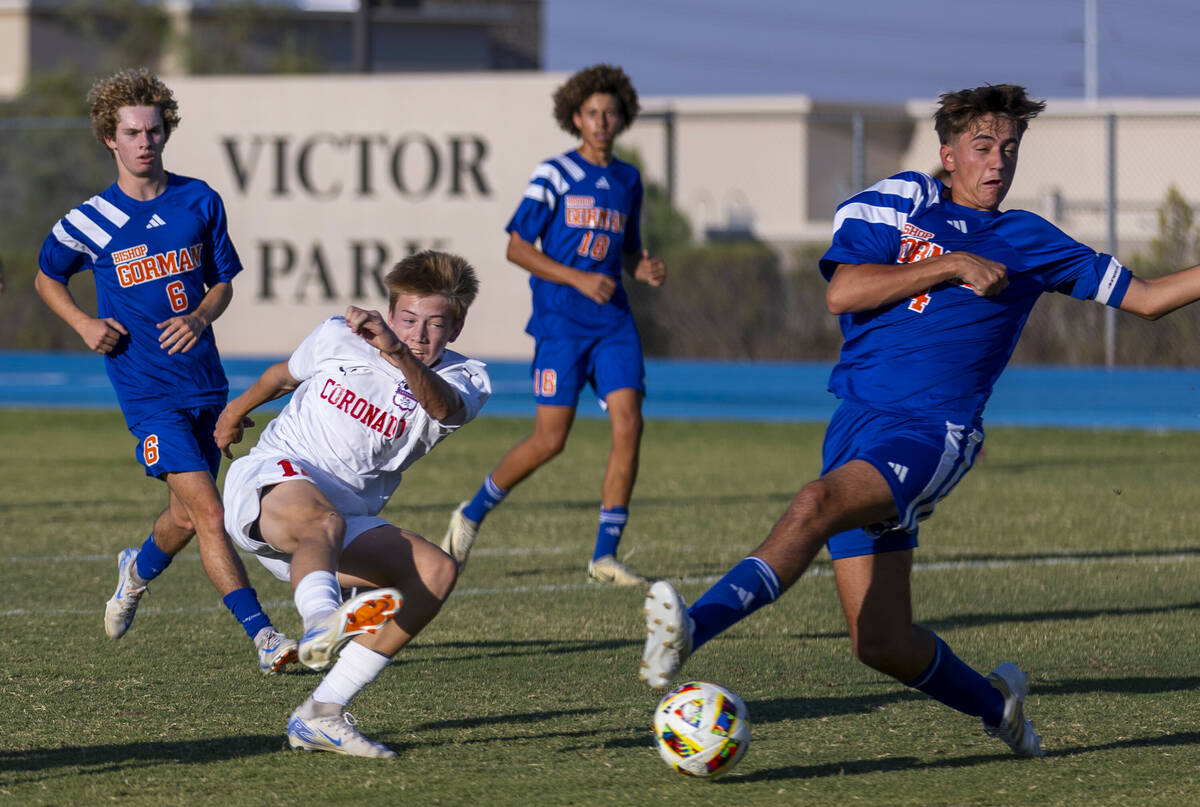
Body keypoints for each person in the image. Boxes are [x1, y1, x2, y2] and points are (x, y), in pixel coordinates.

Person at [639, 83, 1200, 758]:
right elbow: (843, 289)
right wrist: (951, 263)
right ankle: (1002, 708)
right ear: (948, 153)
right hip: (856, 421)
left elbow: (1147, 298)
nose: (998, 162)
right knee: (880, 642)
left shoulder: (1028, 238)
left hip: (935, 430)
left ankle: (691, 628)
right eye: (983, 146)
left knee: (814, 503)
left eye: (1010, 149)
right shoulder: (904, 204)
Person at [34, 67, 295, 674]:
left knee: (184, 516)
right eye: (133, 132)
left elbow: (224, 280)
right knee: (210, 512)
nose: (146, 141)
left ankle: (137, 570)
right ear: (110, 138)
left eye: (154, 130)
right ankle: (265, 637)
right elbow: (47, 277)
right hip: (147, 393)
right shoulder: (88, 221)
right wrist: (82, 324)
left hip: (205, 383)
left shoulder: (199, 199)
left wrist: (203, 315)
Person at [215, 250, 490, 758]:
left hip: (336, 530)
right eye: (407, 320)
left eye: (435, 324)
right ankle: (323, 618)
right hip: (271, 483)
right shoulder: (340, 335)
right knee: (323, 518)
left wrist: (398, 355)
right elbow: (282, 375)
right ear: (390, 313)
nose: (419, 334)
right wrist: (234, 411)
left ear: (457, 326)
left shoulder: (467, 378)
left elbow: (442, 408)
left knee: (435, 572)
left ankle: (322, 712)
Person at [443, 64, 667, 585]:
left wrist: (643, 268)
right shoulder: (554, 173)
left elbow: (628, 251)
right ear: (575, 118)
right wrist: (579, 280)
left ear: (622, 117)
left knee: (630, 423)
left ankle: (605, 556)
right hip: (560, 323)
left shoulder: (629, 180)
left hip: (613, 324)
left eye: (611, 113)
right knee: (550, 439)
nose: (603, 121)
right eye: (593, 113)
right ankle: (471, 512)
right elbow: (517, 247)